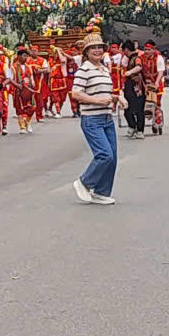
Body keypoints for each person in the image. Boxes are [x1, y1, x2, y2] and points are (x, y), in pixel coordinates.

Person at [71, 33, 123, 206]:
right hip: (91, 118)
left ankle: (101, 192)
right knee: (104, 155)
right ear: (86, 52)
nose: (97, 50)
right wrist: (97, 101)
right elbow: (76, 93)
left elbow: (104, 93)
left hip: (107, 118)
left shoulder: (104, 69)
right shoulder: (84, 70)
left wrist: (117, 98)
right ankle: (84, 182)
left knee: (112, 157)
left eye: (100, 47)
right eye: (93, 48)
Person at [120, 41, 145, 138]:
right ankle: (133, 127)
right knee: (129, 109)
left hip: (136, 88)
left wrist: (129, 72)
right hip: (130, 87)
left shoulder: (136, 58)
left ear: (126, 49)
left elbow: (139, 67)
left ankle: (139, 130)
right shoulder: (130, 59)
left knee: (138, 110)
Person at [10, 46, 36, 134]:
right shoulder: (13, 67)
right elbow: (10, 79)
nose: (26, 58)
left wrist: (33, 84)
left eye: (26, 56)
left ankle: (27, 122)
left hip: (28, 90)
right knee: (19, 109)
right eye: (24, 56)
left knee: (32, 107)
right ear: (19, 56)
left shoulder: (28, 67)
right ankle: (22, 127)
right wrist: (18, 85)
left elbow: (31, 77)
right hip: (18, 90)